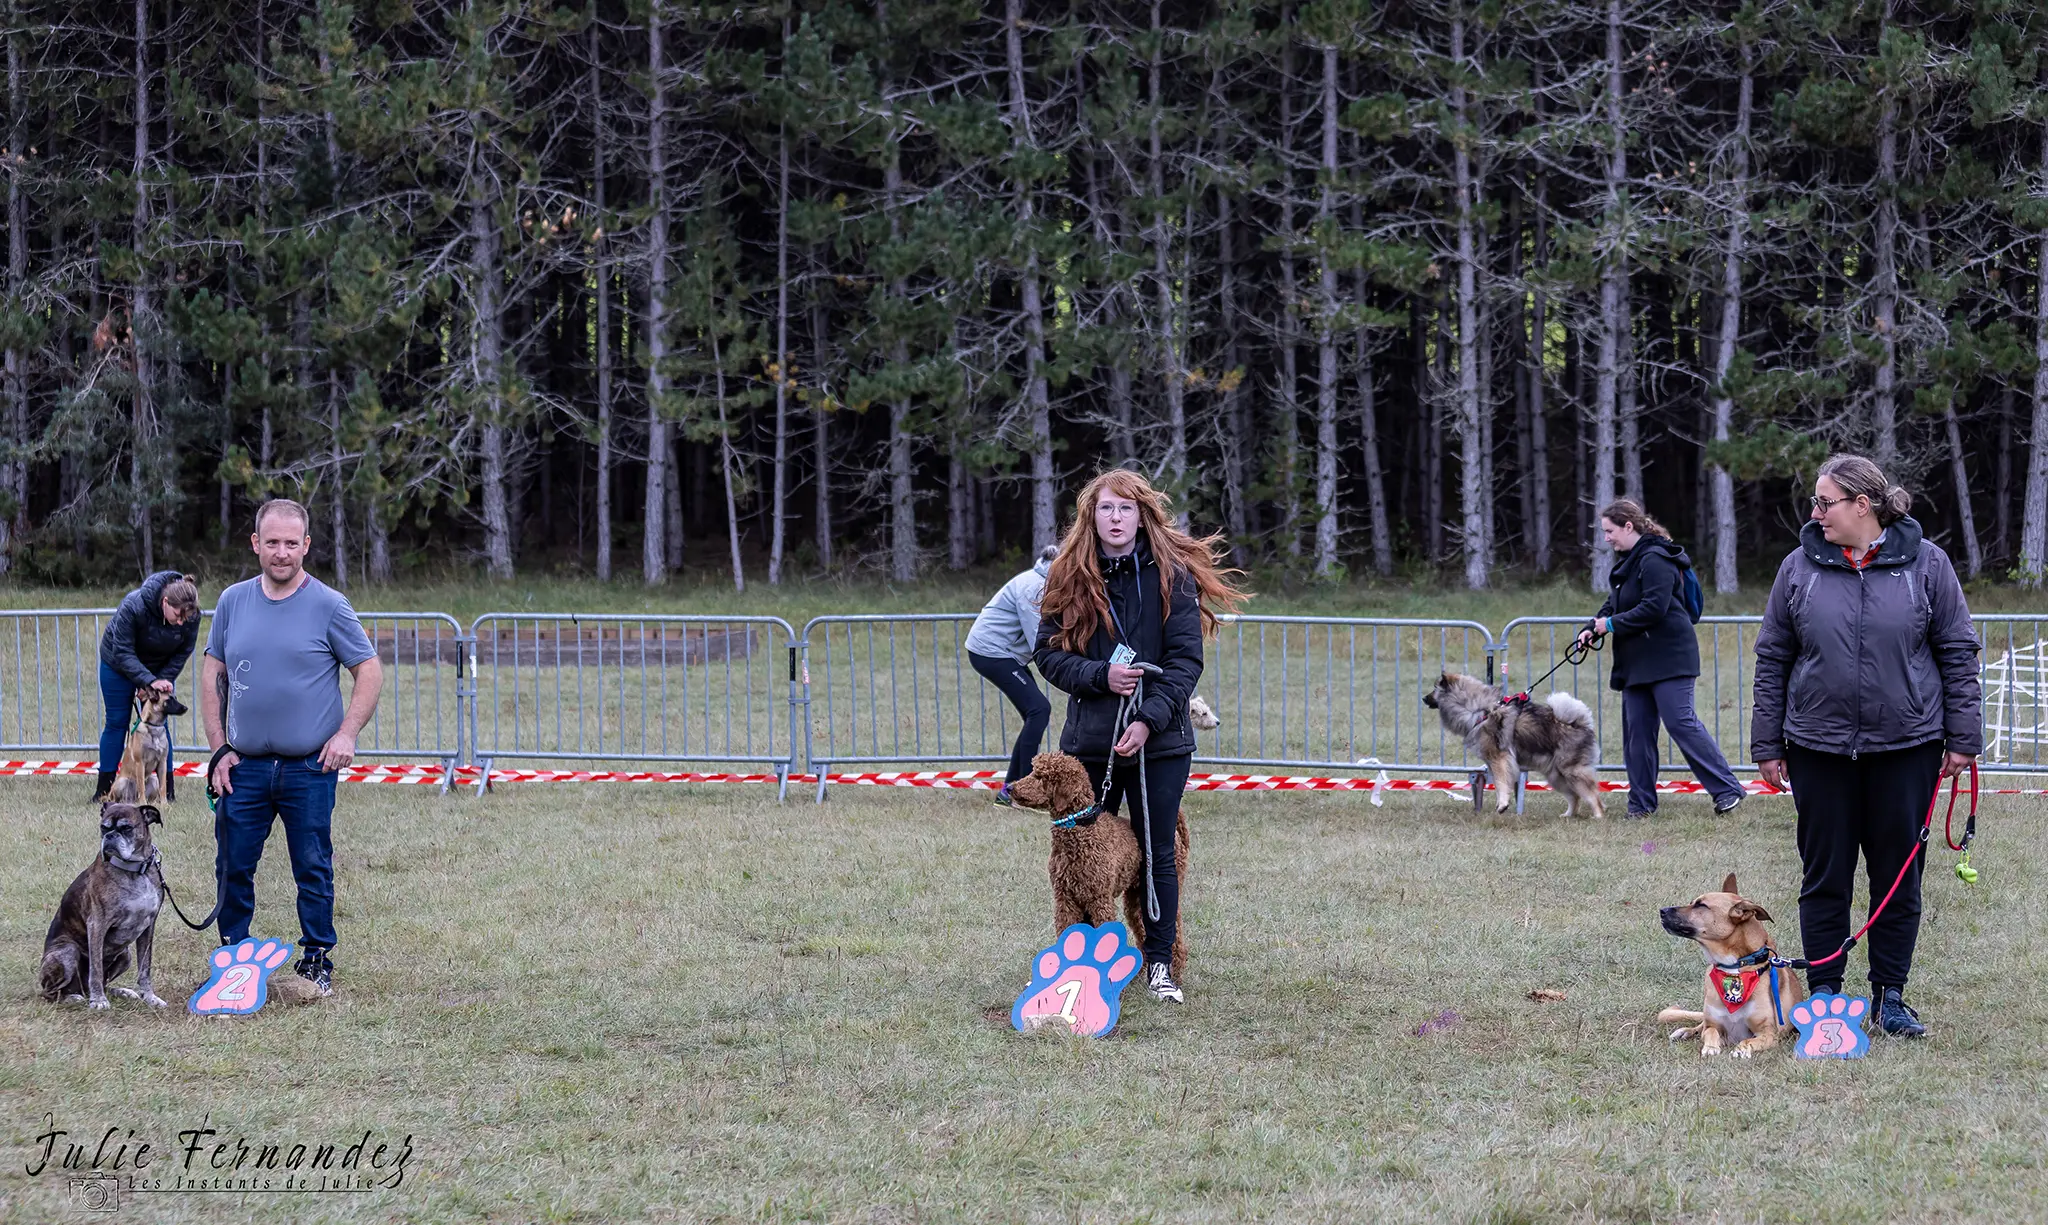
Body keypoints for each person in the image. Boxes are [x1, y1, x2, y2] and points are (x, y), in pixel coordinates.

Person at [1752, 455, 1980, 1038]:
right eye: (1815, 503)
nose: (1815, 513)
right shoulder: (1798, 568)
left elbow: (1956, 651)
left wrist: (1963, 737)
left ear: (1864, 505)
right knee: (1824, 875)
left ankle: (1891, 996)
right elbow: (1774, 655)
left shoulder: (1928, 566)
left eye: (1825, 502)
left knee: (1897, 879)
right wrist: (1767, 743)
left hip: (1906, 749)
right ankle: (1826, 997)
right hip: (1818, 750)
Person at [1033, 470, 1248, 1004]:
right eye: (1106, 509)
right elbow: (1048, 655)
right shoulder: (1069, 574)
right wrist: (1100, 676)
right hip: (1089, 744)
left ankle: (1159, 964)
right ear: (1091, 515)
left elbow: (1184, 661)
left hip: (1161, 741)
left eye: (1125, 509)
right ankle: (1080, 964)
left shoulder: (1172, 576)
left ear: (1141, 515)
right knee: (1079, 854)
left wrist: (1148, 717)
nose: (1115, 518)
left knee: (1157, 852)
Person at [201, 498, 384, 997]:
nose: (281, 553)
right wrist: (218, 749)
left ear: (306, 546)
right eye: (272, 542)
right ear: (255, 544)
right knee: (233, 864)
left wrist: (346, 734)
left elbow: (368, 670)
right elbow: (213, 672)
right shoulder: (233, 601)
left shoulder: (329, 604)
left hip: (309, 768)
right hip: (246, 768)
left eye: (291, 543)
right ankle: (233, 957)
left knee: (312, 864)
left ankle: (316, 958)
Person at [1575, 499, 1744, 819]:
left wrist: (1608, 625)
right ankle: (1640, 805)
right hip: (1637, 662)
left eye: (1609, 531)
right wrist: (1592, 628)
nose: (1606, 538)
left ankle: (1727, 789)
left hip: (1670, 658)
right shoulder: (1629, 561)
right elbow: (1615, 603)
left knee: (1681, 723)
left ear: (1628, 526)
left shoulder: (1655, 559)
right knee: (1637, 734)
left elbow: (1655, 607)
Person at [964, 544, 1059, 806]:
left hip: (1004, 653)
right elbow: (1039, 641)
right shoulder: (1033, 587)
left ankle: (1011, 791)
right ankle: (1022, 794)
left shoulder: (1043, 583)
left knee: (1037, 711)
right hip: (991, 652)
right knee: (1039, 710)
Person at [95, 572, 201, 803]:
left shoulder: (191, 616)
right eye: (178, 615)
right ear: (165, 602)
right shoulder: (133, 605)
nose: (182, 622)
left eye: (186, 617)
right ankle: (105, 789)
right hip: (117, 664)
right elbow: (122, 650)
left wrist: (159, 681)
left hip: (158, 669)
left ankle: (166, 791)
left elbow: (183, 652)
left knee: (159, 720)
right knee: (116, 721)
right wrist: (147, 680)